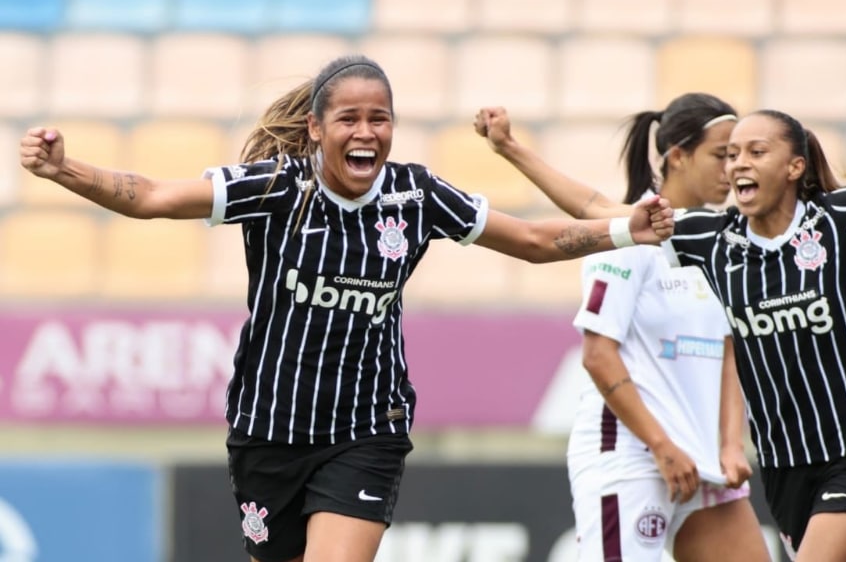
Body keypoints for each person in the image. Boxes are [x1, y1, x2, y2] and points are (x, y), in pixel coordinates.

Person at [17, 55, 675, 562]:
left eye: (379, 118)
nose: (366, 132)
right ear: (316, 128)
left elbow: (533, 242)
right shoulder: (276, 187)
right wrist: (64, 168)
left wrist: (625, 229)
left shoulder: (415, 195)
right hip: (266, 429)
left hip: (365, 428)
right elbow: (152, 196)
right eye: (349, 119)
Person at [474, 101, 846, 562]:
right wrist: (512, 149)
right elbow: (597, 210)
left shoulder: (837, 221)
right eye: (732, 154)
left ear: (795, 166)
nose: (738, 164)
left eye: (756, 151)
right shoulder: (709, 240)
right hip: (783, 464)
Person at [475, 96, 770, 562]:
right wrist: (661, 446)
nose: (731, 169)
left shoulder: (721, 244)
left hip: (702, 462)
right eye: (721, 155)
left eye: (737, 157)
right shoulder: (628, 235)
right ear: (678, 155)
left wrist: (731, 444)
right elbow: (597, 355)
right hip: (633, 458)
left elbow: (728, 351)